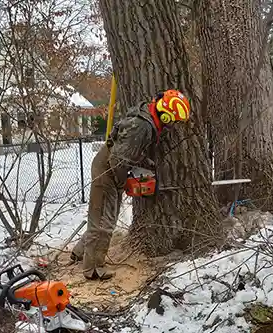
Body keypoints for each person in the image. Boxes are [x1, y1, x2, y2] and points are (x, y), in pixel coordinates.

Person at [71, 89, 191, 280]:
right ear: (167, 116)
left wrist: (144, 163)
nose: (173, 125)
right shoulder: (141, 126)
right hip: (108, 170)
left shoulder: (147, 115)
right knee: (104, 223)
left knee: (99, 216)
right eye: (174, 120)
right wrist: (123, 183)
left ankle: (78, 252)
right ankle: (93, 269)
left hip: (108, 164)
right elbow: (118, 159)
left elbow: (129, 149)